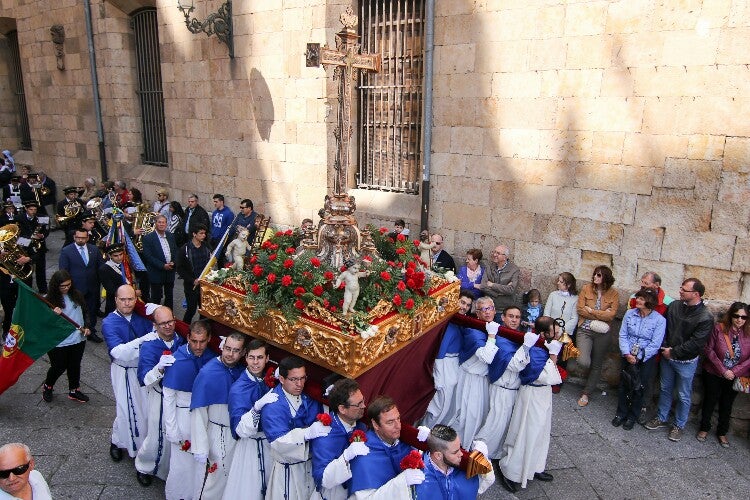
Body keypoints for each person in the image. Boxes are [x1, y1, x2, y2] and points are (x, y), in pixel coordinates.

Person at [498, 316, 563, 493]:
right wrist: (553, 356)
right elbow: (545, 376)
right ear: (543, 333)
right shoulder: (536, 350)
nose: (557, 333)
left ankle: (535, 467)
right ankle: (510, 471)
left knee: (541, 432)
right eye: (553, 331)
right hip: (532, 394)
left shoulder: (547, 344)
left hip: (544, 395)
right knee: (526, 432)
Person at [645, 278, 714, 442]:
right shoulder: (675, 306)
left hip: (686, 362)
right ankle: (661, 417)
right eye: (681, 288)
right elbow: (664, 328)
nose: (680, 291)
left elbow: (696, 343)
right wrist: (666, 348)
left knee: (683, 394)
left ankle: (679, 425)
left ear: (696, 294)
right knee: (665, 388)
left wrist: (674, 352)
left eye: (684, 289)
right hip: (667, 356)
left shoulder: (705, 317)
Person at [102, 285, 157, 462]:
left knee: (145, 411)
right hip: (124, 371)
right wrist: (146, 340)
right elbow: (119, 353)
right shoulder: (109, 322)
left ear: (136, 299)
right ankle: (121, 444)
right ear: (116, 300)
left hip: (143, 369)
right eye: (123, 299)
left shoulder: (143, 317)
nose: (127, 303)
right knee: (126, 410)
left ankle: (137, 445)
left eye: (130, 299)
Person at [261, 355, 328, 500]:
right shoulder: (273, 405)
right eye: (294, 379)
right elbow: (278, 442)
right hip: (288, 471)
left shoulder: (309, 397)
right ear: (282, 379)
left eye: (303, 378)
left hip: (310, 468)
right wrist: (305, 434)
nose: (300, 384)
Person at [190, 332, 246, 499]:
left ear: (243, 353)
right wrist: (200, 447)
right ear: (222, 347)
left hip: (236, 435)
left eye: (236, 350)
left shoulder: (242, 372)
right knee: (214, 478)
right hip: (216, 432)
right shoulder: (208, 372)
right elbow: (198, 412)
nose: (230, 354)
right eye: (227, 348)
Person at [162, 320, 214, 500]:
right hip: (182, 418)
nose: (198, 346)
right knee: (181, 464)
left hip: (204, 418)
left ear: (209, 339)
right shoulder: (177, 360)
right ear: (188, 338)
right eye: (194, 341)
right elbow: (168, 397)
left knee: (200, 465)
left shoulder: (212, 359)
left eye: (202, 341)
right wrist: (172, 429)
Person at [474, 327, 540, 462]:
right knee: (494, 425)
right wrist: (526, 346)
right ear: (503, 318)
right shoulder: (503, 341)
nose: (514, 320)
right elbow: (515, 365)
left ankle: (495, 455)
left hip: (513, 391)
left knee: (504, 427)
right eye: (511, 316)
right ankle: (478, 456)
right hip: (502, 389)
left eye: (517, 317)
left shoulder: (517, 339)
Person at [134, 306, 183, 486]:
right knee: (156, 434)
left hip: (178, 396)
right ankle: (144, 466)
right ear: (155, 325)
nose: (168, 326)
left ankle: (167, 468)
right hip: (159, 395)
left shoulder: (182, 340)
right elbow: (144, 379)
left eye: (170, 322)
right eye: (163, 324)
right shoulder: (149, 346)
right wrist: (159, 368)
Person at [224, 340, 278, 500]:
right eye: (251, 357)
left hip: (270, 445)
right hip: (249, 447)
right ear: (245, 358)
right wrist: (256, 408)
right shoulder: (239, 389)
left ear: (267, 358)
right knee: (248, 489)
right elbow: (240, 429)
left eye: (260, 357)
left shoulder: (270, 380)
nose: (255, 362)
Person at [348, 396, 424, 498]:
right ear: (375, 424)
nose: (398, 426)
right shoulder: (363, 456)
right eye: (390, 422)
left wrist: (428, 443)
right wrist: (401, 482)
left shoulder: (405, 443)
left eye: (398, 419)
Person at [697, 302, 750, 448]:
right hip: (714, 372)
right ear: (731, 315)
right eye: (736, 316)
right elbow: (709, 350)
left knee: (727, 404)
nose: (740, 319)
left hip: (735, 376)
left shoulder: (748, 333)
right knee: (709, 400)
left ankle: (722, 432)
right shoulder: (719, 329)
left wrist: (734, 372)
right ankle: (704, 428)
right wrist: (723, 370)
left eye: (743, 317)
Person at [612, 289, 666, 431]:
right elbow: (623, 334)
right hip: (628, 354)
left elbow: (656, 343)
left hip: (645, 357)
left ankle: (632, 416)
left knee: (639, 386)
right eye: (638, 298)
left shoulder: (659, 320)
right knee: (624, 383)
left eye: (642, 299)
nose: (638, 301)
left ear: (650, 302)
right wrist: (627, 353)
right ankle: (621, 413)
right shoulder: (630, 314)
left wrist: (639, 357)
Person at [452, 297, 500, 446]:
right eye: (483, 310)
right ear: (477, 313)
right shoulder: (474, 330)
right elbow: (487, 357)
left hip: (482, 380)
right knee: (466, 416)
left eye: (490, 308)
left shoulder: (493, 326)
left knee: (479, 416)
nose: (487, 312)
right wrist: (492, 336)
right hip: (469, 379)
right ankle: (459, 448)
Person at [310, 378, 369, 500]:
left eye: (363, 400)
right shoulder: (324, 434)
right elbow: (322, 478)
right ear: (342, 409)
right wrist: (346, 457)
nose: (364, 406)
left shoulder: (361, 425)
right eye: (358, 404)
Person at [422, 293, 474, 427]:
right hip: (445, 364)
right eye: (462, 302)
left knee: (447, 404)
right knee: (440, 405)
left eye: (468, 305)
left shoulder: (459, 322)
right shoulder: (450, 323)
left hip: (453, 363)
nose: (464, 307)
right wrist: (438, 377)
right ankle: (425, 432)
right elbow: (440, 353)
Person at [41, 270, 91, 403]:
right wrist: (52, 315)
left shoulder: (76, 295)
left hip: (78, 338)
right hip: (58, 341)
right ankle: (48, 386)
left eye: (68, 285)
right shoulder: (48, 300)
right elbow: (43, 323)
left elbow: (85, 312)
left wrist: (87, 327)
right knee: (58, 366)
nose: (66, 288)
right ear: (55, 286)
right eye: (62, 286)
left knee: (75, 365)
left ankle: (74, 390)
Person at [575, 265, 619, 407]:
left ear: (605, 278)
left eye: (599, 275)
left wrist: (592, 311)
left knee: (597, 364)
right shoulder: (586, 288)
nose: (595, 277)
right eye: (595, 274)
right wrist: (601, 313)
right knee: (583, 361)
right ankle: (571, 365)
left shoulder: (614, 294)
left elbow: (611, 315)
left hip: (603, 332)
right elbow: (580, 310)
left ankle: (586, 393)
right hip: (585, 329)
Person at [415, 425, 494, 499]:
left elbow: (485, 481)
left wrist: (482, 460)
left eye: (460, 448)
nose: (461, 454)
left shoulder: (465, 469)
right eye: (455, 452)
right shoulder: (419, 480)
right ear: (438, 455)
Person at [59, 227, 104, 343]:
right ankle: (77, 329)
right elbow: (63, 271)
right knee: (77, 310)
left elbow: (100, 267)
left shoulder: (94, 249)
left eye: (83, 238)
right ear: (74, 237)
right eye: (78, 237)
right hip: (76, 287)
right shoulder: (67, 251)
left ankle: (91, 330)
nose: (80, 240)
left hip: (92, 286)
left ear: (87, 238)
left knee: (92, 309)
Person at [175, 223, 212, 323]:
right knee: (191, 310)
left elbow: (210, 263)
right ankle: (185, 327)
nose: (204, 235)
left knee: (204, 310)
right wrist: (192, 280)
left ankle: (201, 328)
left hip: (204, 283)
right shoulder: (185, 249)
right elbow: (180, 269)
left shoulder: (206, 246)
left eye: (205, 233)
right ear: (194, 234)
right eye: (201, 233)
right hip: (191, 285)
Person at [141, 214, 177, 310]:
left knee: (169, 296)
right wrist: (162, 265)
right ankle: (155, 315)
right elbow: (148, 256)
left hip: (170, 271)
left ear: (166, 224)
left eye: (163, 222)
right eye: (159, 222)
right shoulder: (148, 238)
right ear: (155, 224)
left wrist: (173, 262)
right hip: (156, 272)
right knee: (156, 296)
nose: (161, 224)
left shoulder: (170, 236)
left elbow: (174, 251)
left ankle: (169, 314)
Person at [16, 200, 49, 294]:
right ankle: (27, 290)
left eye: (35, 209)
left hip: (39, 246)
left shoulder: (41, 217)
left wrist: (42, 235)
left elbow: (46, 230)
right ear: (26, 209)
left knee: (41, 268)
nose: (33, 211)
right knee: (26, 269)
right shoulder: (19, 218)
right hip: (25, 246)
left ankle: (43, 289)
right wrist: (29, 238)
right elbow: (17, 233)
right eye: (31, 209)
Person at [478, 244, 519, 316]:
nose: (494, 254)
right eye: (494, 252)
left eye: (498, 253)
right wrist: (499, 293)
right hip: (488, 308)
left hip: (503, 310)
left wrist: (492, 285)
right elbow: (483, 286)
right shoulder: (489, 267)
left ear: (505, 257)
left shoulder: (514, 270)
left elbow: (511, 290)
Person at [99, 243, 139, 314]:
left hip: (130, 300)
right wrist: (132, 293)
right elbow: (111, 289)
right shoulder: (104, 269)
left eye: (121, 254)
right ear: (110, 256)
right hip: (115, 303)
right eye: (116, 256)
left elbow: (132, 280)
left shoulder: (126, 265)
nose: (119, 257)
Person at [543, 272, 579, 336]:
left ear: (568, 285)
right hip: (549, 330)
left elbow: (574, 319)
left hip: (565, 334)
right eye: (558, 281)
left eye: (561, 282)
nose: (558, 283)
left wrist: (560, 331)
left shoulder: (575, 299)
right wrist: (550, 328)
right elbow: (546, 312)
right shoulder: (553, 295)